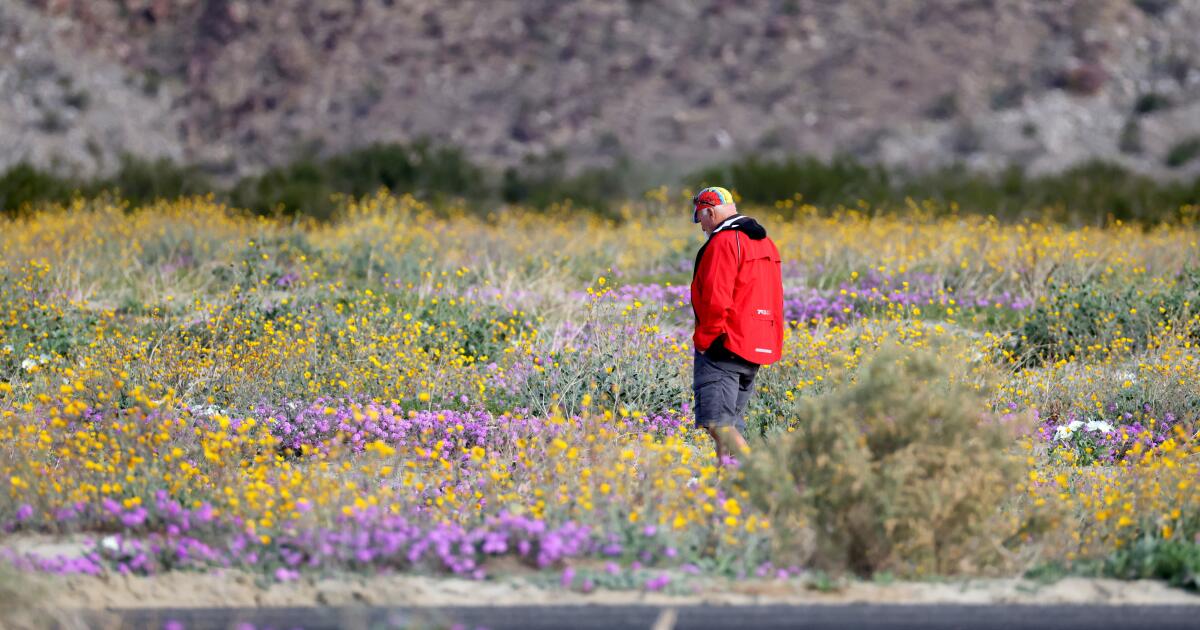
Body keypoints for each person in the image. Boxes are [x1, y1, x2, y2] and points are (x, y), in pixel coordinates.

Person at [689, 186, 784, 461]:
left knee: (717, 422)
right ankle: (726, 482)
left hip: (724, 343)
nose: (702, 227)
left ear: (710, 211)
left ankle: (757, 475)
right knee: (730, 422)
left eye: (701, 219)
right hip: (755, 343)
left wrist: (705, 341)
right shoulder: (764, 241)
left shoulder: (724, 242)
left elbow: (717, 298)